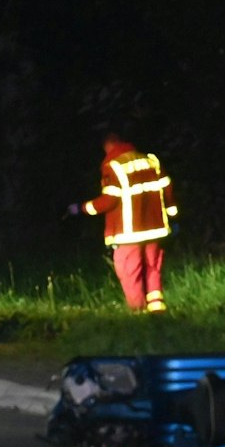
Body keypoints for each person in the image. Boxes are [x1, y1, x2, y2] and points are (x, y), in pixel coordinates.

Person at [70, 131, 176, 313]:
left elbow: (109, 201)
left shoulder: (114, 165)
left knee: (130, 271)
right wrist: (171, 214)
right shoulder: (151, 161)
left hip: (128, 231)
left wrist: (83, 208)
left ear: (108, 146)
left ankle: (137, 313)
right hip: (156, 228)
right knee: (153, 267)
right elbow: (167, 188)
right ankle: (157, 309)